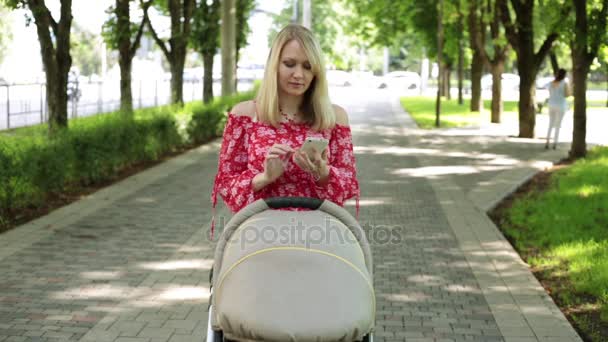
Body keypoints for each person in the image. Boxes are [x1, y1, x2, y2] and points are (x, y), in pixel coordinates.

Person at [210, 24, 360, 236]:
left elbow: (348, 184)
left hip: (319, 233)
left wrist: (322, 172)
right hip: (260, 231)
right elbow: (226, 184)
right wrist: (265, 177)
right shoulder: (245, 115)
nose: (299, 74)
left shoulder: (334, 117)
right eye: (290, 64)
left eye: (308, 66)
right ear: (275, 66)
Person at [545, 68, 571, 150]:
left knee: (550, 124)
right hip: (561, 105)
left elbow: (550, 93)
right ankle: (555, 143)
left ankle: (547, 141)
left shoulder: (551, 83)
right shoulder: (564, 83)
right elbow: (567, 94)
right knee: (558, 125)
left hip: (551, 104)